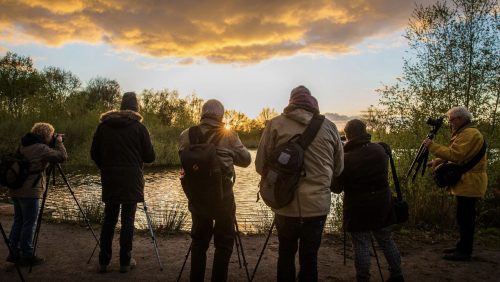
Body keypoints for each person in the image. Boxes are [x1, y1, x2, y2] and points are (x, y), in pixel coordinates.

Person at [255, 85, 343, 282]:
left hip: (285, 203)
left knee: (285, 254)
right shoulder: (330, 127)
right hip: (317, 206)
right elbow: (338, 170)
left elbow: (260, 166)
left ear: (291, 102)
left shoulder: (275, 124)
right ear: (312, 102)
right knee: (309, 258)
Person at [178, 99, 251, 282]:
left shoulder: (186, 135)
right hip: (222, 194)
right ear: (221, 116)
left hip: (196, 194)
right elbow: (246, 160)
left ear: (202, 114)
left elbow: (184, 160)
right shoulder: (229, 135)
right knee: (224, 242)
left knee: (199, 241)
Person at [332, 119, 404, 282]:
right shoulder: (380, 149)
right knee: (386, 239)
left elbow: (337, 188)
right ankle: (397, 275)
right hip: (382, 202)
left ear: (347, 135)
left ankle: (363, 278)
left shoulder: (345, 158)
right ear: (365, 132)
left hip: (358, 205)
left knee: (361, 243)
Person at [91, 92, 155, 273]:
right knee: (128, 220)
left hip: (110, 179)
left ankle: (103, 261)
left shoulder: (103, 127)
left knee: (109, 219)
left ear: (121, 106)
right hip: (131, 181)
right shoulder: (139, 128)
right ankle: (125, 262)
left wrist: (106, 167)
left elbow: (94, 154)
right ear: (136, 108)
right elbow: (150, 157)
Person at [424, 106, 487, 261]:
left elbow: (456, 155)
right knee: (463, 216)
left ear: (461, 119)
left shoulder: (469, 134)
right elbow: (459, 154)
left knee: (466, 218)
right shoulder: (465, 133)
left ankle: (465, 252)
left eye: (452, 119)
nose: (450, 123)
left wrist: (432, 146)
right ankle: (461, 247)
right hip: (467, 182)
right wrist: (437, 161)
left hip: (470, 183)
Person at [7, 122, 67, 266]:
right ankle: (27, 255)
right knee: (29, 223)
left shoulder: (23, 145)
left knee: (18, 221)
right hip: (31, 191)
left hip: (16, 190)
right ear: (46, 135)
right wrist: (59, 142)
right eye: (51, 135)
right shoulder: (41, 148)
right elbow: (62, 156)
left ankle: (14, 253)